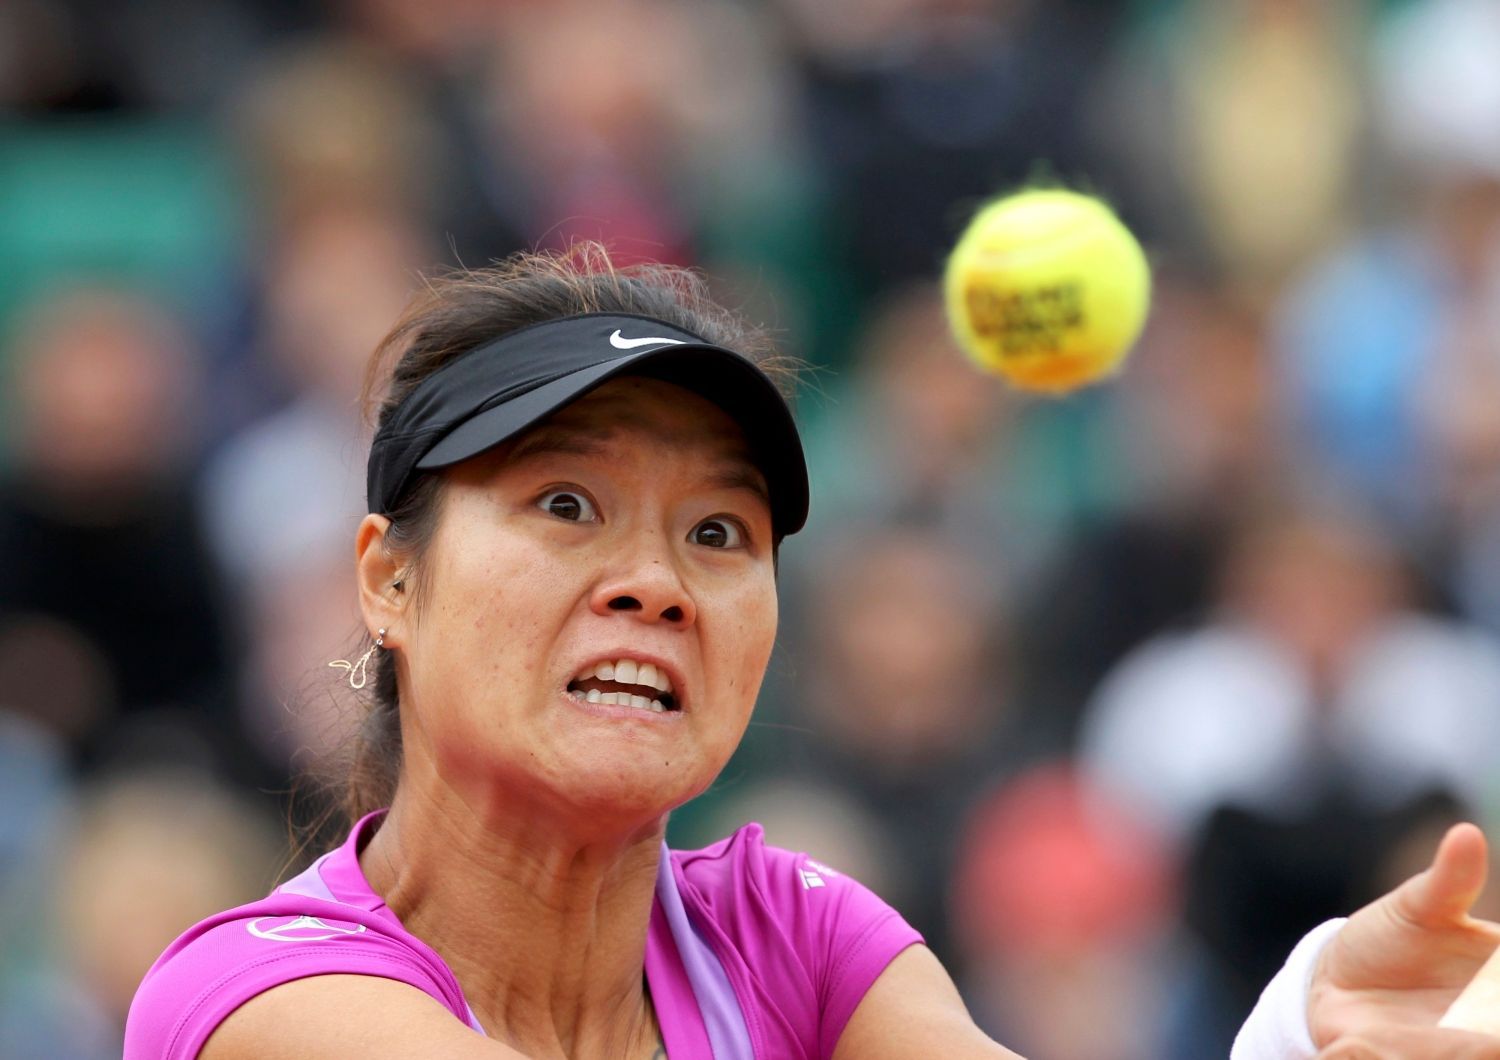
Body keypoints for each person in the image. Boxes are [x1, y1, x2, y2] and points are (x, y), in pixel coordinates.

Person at [125, 245, 1500, 1059]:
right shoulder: (266, 998)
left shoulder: (794, 932)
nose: (656, 584)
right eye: (565, 506)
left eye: (720, 533)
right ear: (389, 581)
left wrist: (1301, 1029)